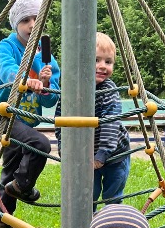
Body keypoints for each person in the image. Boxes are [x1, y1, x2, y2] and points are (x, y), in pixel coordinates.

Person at [0, 0, 61, 228]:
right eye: (25, 20)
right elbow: (5, 69)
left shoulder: (46, 54)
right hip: (3, 115)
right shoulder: (7, 46)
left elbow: (51, 100)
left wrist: (46, 84)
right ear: (16, 23)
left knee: (12, 166)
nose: (31, 25)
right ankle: (23, 186)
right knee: (40, 144)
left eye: (36, 18)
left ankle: (3, 219)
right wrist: (25, 81)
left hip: (25, 120)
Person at [55, 32, 131, 210]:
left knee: (113, 194)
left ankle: (111, 217)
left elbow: (111, 123)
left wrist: (102, 154)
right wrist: (63, 149)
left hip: (115, 154)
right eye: (96, 60)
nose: (103, 66)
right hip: (87, 154)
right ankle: (90, 220)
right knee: (88, 194)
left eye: (108, 62)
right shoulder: (72, 89)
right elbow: (61, 121)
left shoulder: (108, 90)